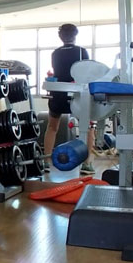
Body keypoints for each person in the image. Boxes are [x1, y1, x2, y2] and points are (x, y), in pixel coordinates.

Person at [43, 23, 96, 174]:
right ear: (75, 35)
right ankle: (87, 164)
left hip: (59, 93)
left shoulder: (55, 53)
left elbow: (58, 72)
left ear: (61, 37)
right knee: (88, 127)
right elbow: (86, 72)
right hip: (78, 95)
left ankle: (47, 161)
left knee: (52, 127)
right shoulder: (82, 51)